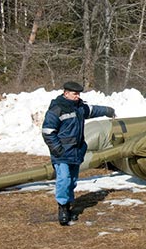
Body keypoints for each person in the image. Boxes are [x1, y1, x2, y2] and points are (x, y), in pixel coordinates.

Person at [41, 81, 115, 226]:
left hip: (76, 152)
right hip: (62, 153)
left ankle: (69, 206)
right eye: (74, 94)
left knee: (72, 181)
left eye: (78, 94)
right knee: (64, 179)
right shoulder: (57, 109)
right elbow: (48, 132)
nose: (77, 96)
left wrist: (107, 110)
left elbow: (92, 110)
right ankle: (62, 208)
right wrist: (57, 149)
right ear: (66, 93)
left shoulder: (80, 107)